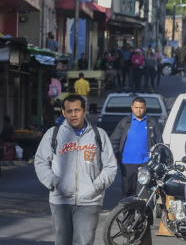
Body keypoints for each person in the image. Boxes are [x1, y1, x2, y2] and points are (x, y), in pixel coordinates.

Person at [35, 94, 117, 245]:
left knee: (84, 242)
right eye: (69, 111)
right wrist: (55, 183)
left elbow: (110, 166)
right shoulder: (53, 134)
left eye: (77, 110)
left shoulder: (99, 135)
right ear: (63, 112)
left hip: (89, 200)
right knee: (62, 241)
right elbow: (40, 162)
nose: (73, 114)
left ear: (84, 110)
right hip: (60, 200)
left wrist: (96, 186)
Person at [110, 96, 163, 199]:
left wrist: (157, 161)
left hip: (145, 164)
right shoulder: (124, 123)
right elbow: (114, 141)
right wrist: (114, 156)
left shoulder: (152, 123)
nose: (138, 110)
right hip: (127, 164)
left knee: (143, 194)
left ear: (145, 108)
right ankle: (127, 214)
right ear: (132, 108)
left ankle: (141, 215)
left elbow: (159, 144)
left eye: (141, 107)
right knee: (127, 193)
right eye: (136, 107)